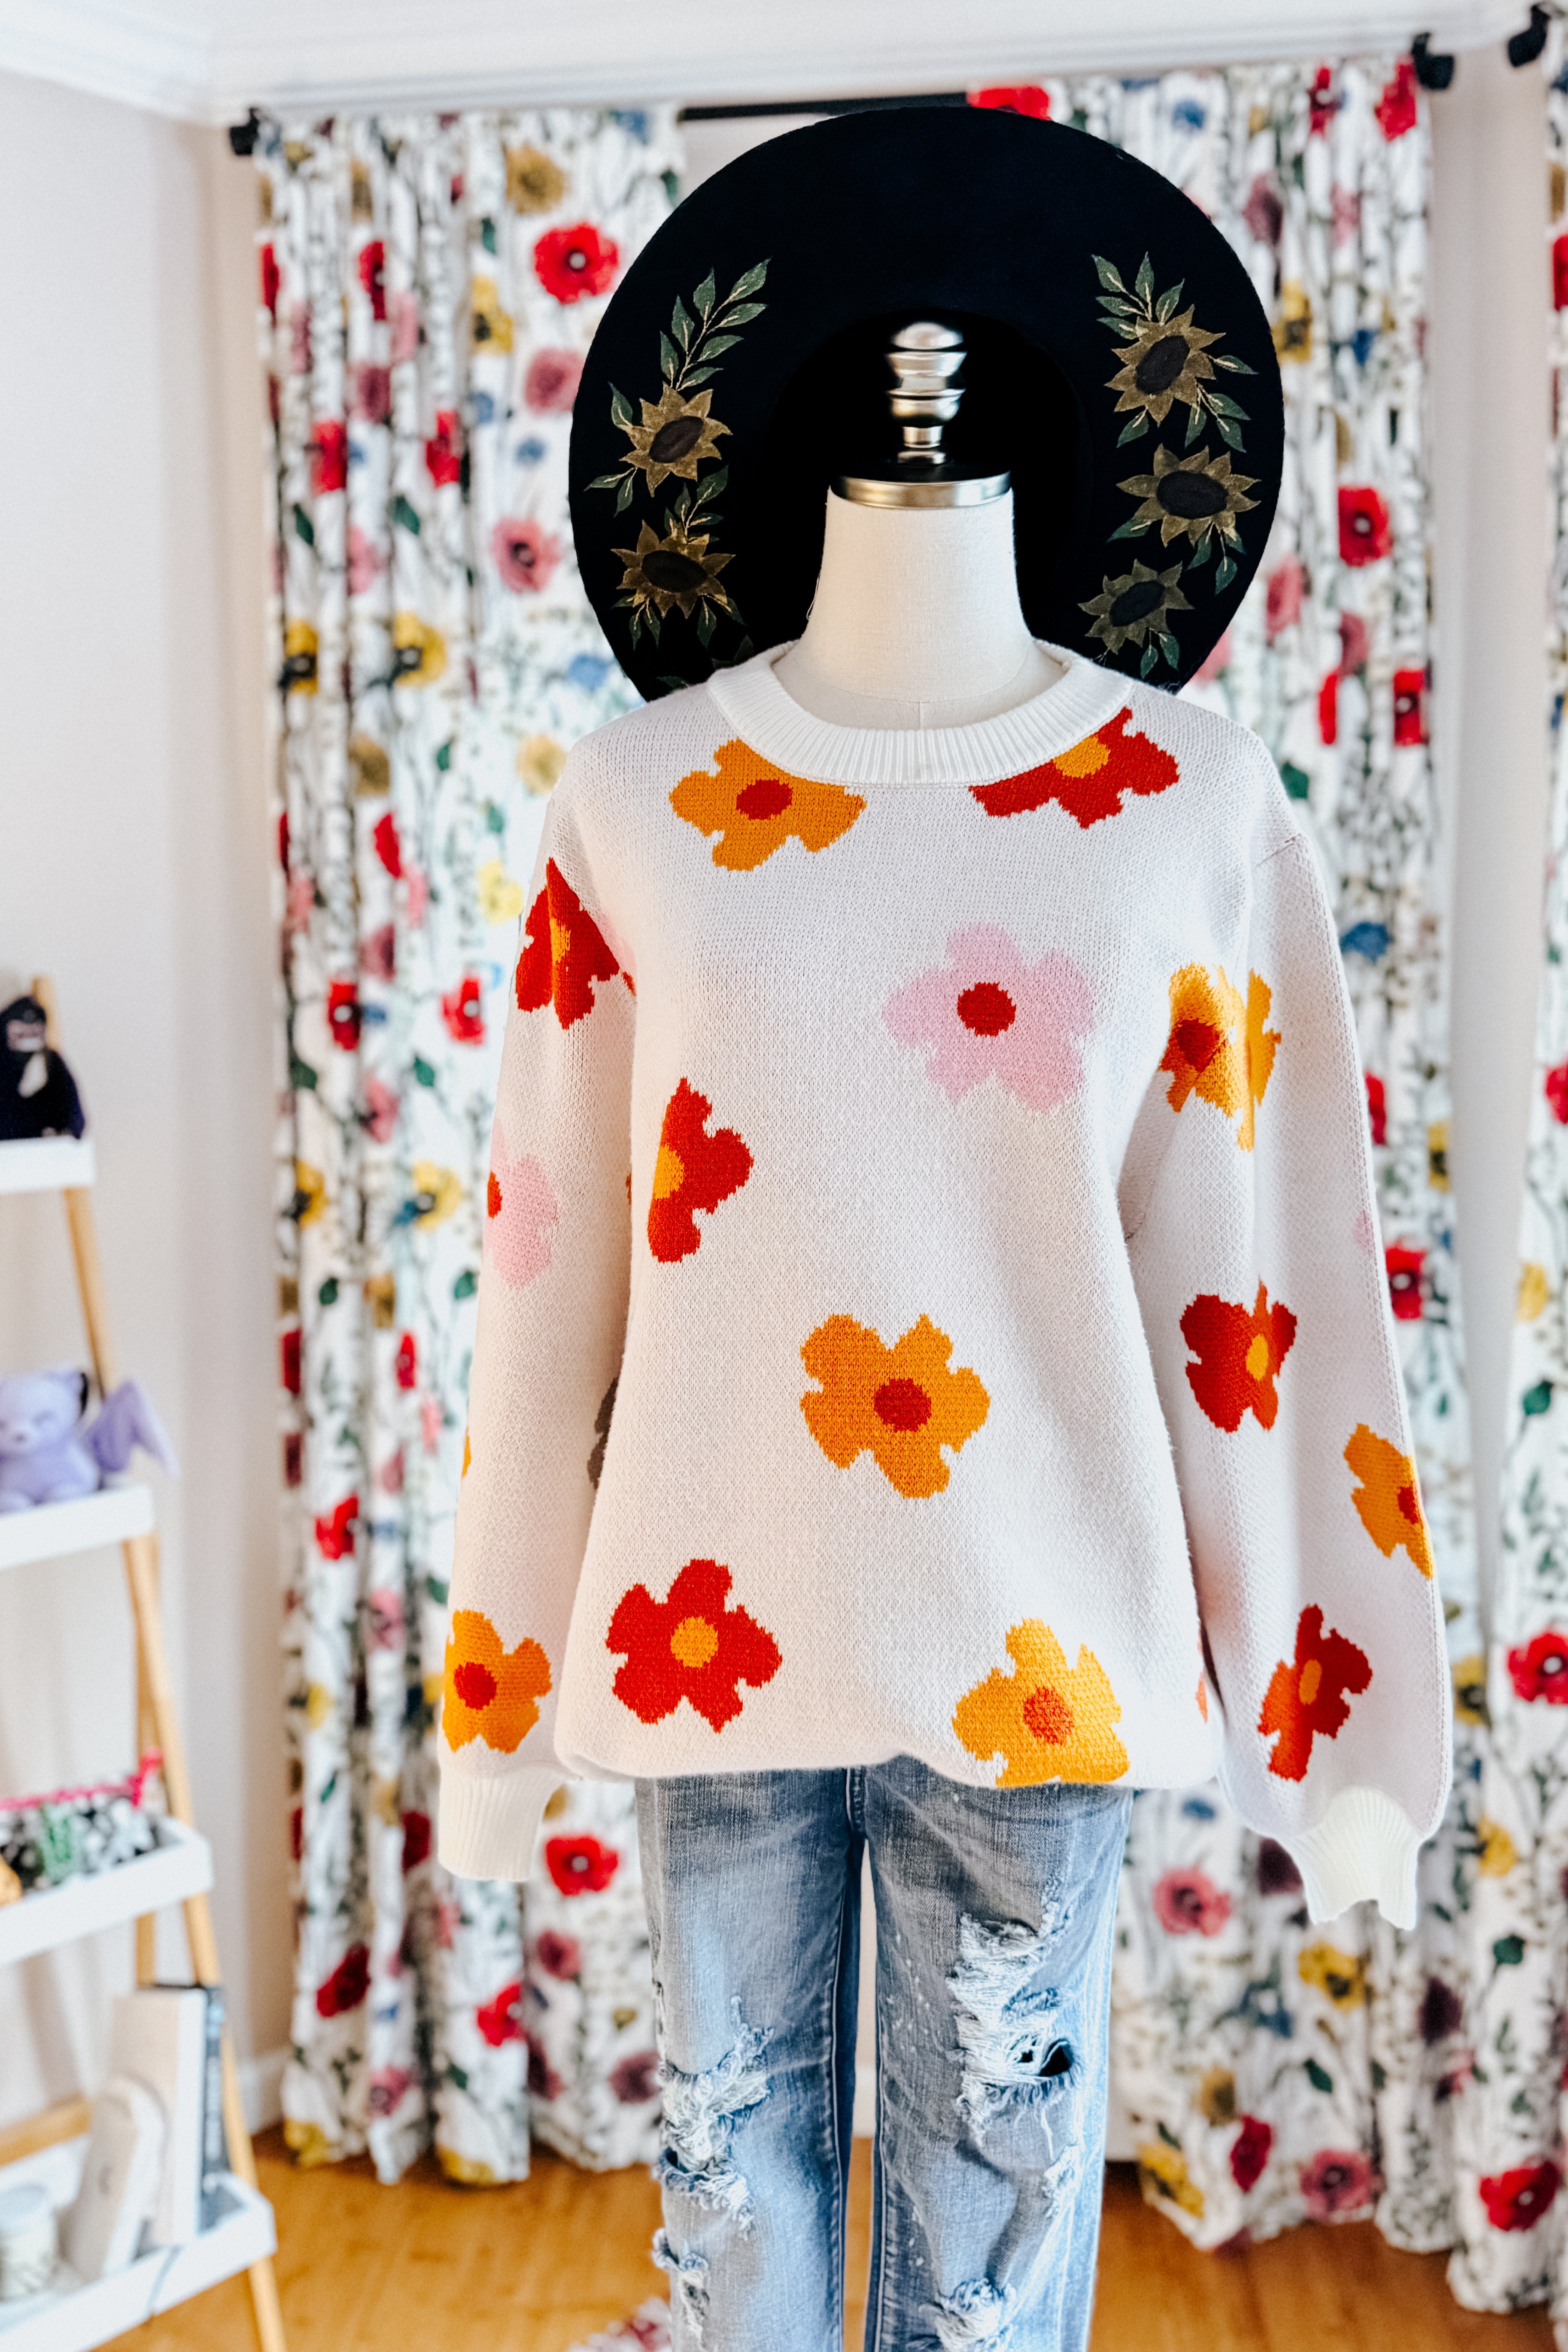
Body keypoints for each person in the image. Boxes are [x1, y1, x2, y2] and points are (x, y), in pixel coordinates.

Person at [439, 108, 1451, 2352]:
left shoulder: (1182, 804)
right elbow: (551, 1284)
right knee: (734, 2213)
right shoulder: (637, 800)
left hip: (1044, 1629)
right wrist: (498, 1695)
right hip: (719, 1632)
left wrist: (1336, 1731)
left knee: (988, 2262)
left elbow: (1264, 1292)